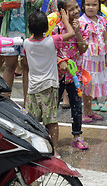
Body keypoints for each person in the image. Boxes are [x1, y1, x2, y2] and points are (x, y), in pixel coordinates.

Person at [24, 9, 74, 157]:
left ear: (29, 28)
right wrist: (65, 21)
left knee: (32, 121)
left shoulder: (26, 43)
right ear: (47, 28)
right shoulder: (52, 41)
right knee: (51, 120)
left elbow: (26, 62)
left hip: (33, 87)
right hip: (50, 86)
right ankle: (55, 150)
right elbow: (70, 34)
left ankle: (33, 149)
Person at [0, 0, 43, 102]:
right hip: (10, 33)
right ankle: (5, 99)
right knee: (9, 67)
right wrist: (3, 7)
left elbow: (38, 3)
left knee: (27, 66)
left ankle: (28, 100)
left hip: (28, 33)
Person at [53, 0, 89, 149]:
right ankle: (49, 135)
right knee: (53, 106)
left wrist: (77, 31)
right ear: (62, 12)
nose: (76, 10)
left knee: (76, 106)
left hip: (75, 75)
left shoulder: (82, 26)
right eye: (71, 9)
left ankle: (77, 135)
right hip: (58, 74)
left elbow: (83, 48)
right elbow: (51, 49)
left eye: (76, 7)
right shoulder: (56, 28)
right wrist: (60, 63)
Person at [79, 0, 107, 123]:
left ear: (99, 6)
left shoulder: (102, 20)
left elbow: (105, 39)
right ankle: (85, 111)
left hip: (99, 58)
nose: (90, 7)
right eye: (87, 4)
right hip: (87, 58)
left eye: (94, 4)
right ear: (83, 6)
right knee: (87, 84)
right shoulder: (81, 22)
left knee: (93, 84)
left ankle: (90, 111)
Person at [46, 0, 72, 109]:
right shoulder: (52, 2)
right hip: (55, 35)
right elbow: (48, 17)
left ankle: (66, 96)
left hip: (66, 35)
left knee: (66, 65)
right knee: (56, 65)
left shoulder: (70, 2)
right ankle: (57, 95)